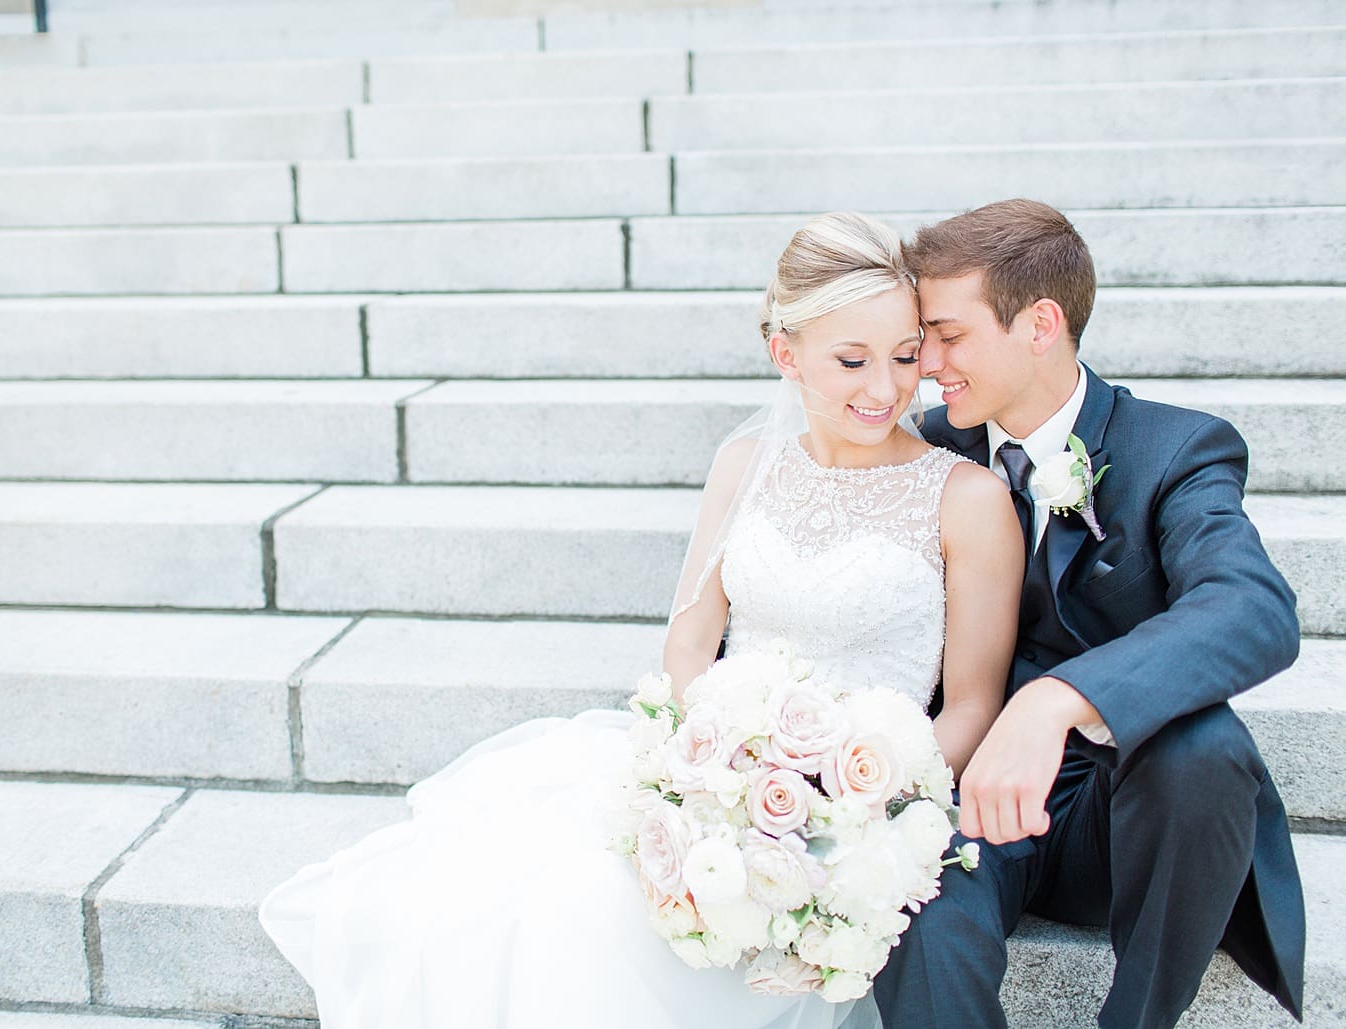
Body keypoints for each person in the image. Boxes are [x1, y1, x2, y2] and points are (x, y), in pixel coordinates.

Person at [257, 212, 1022, 1029]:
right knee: (555, 904)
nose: (885, 388)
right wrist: (710, 781)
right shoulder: (743, 466)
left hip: (863, 809)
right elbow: (691, 643)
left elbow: (973, 705)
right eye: (851, 360)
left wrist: (835, 806)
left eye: (906, 357)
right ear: (784, 353)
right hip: (716, 781)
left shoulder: (965, 499)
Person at [871, 198, 1306, 1029]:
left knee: (1203, 744)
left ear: (1039, 324)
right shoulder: (923, 451)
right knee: (909, 893)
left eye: (948, 334)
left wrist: (1056, 698)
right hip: (972, 803)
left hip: (1129, 818)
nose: (923, 361)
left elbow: (1252, 609)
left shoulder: (1173, 449)